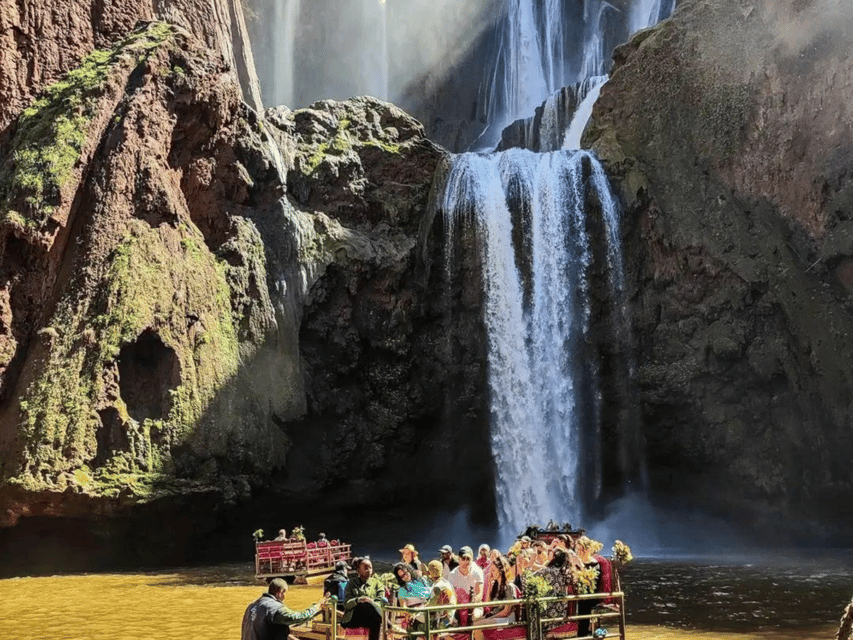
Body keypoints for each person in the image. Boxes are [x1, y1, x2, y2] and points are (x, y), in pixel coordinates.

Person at [241, 577, 329, 640]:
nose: (285, 597)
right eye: (285, 593)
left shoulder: (251, 605)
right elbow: (300, 617)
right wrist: (318, 605)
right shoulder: (274, 608)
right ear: (280, 593)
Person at [472, 555, 520, 640]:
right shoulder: (496, 585)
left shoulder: (509, 586)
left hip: (507, 618)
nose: (491, 573)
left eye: (493, 570)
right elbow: (487, 604)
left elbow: (506, 611)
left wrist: (490, 618)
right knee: (474, 623)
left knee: (477, 625)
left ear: (500, 571)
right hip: (497, 616)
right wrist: (489, 586)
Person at [342, 557, 387, 640]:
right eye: (366, 568)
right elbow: (346, 604)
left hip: (373, 616)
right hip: (355, 617)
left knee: (371, 609)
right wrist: (358, 600)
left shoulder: (377, 583)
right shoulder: (351, 584)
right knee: (364, 606)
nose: (369, 570)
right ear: (358, 570)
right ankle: (388, 623)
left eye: (370, 567)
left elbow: (380, 601)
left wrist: (371, 602)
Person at [574, 536, 603, 639]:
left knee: (584, 618)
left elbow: (592, 581)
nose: (578, 551)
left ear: (586, 549)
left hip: (588, 595)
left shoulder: (594, 563)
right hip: (576, 593)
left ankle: (584, 636)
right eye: (577, 549)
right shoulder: (575, 560)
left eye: (579, 549)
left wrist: (580, 565)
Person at [448, 546, 484, 622]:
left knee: (475, 616)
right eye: (463, 559)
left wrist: (472, 603)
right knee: (450, 619)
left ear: (472, 560)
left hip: (475, 605)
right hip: (459, 605)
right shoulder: (452, 575)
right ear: (458, 560)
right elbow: (452, 596)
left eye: (468, 559)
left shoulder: (477, 571)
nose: (465, 562)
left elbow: (479, 594)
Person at [393, 562, 432, 631]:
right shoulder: (402, 590)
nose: (405, 576)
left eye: (406, 573)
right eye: (402, 576)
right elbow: (403, 607)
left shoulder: (421, 581)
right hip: (416, 615)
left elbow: (431, 593)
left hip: (429, 609)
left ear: (409, 570)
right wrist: (411, 614)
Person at [425, 560, 457, 630]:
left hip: (443, 620)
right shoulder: (446, 582)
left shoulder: (438, 586)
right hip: (449, 616)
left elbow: (432, 605)